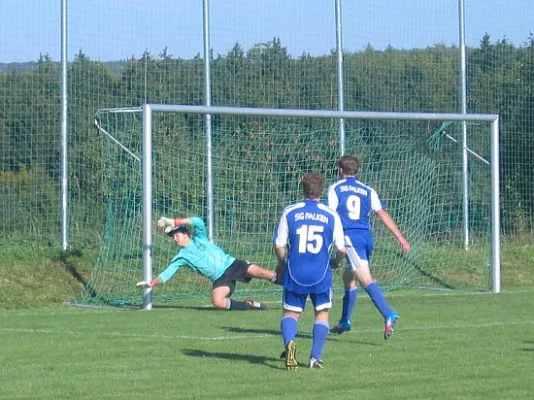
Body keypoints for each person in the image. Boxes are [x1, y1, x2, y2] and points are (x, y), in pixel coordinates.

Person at [327, 155, 411, 340]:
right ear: (357, 171)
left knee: (365, 279)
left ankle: (388, 313)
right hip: (366, 238)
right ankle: (344, 321)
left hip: (351, 238)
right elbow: (382, 214)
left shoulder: (336, 188)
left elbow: (332, 216)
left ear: (340, 170)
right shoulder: (367, 190)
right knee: (349, 277)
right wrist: (401, 239)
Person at [273, 172, 346, 370]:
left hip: (295, 271)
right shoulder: (331, 214)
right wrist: (336, 262)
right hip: (320, 273)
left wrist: (282, 263)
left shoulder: (290, 211)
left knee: (290, 314)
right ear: (321, 190)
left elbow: (279, 245)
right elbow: (341, 248)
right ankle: (314, 357)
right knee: (322, 313)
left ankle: (290, 344)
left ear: (302, 189)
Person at [141, 216, 279, 311]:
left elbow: (198, 222)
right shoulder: (181, 256)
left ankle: (295, 287)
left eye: (176, 235)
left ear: (186, 234)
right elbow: (166, 274)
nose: (175, 239)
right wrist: (152, 283)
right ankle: (248, 305)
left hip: (233, 265)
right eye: (172, 237)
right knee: (217, 301)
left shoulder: (199, 238)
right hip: (221, 278)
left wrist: (175, 221)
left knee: (264, 274)